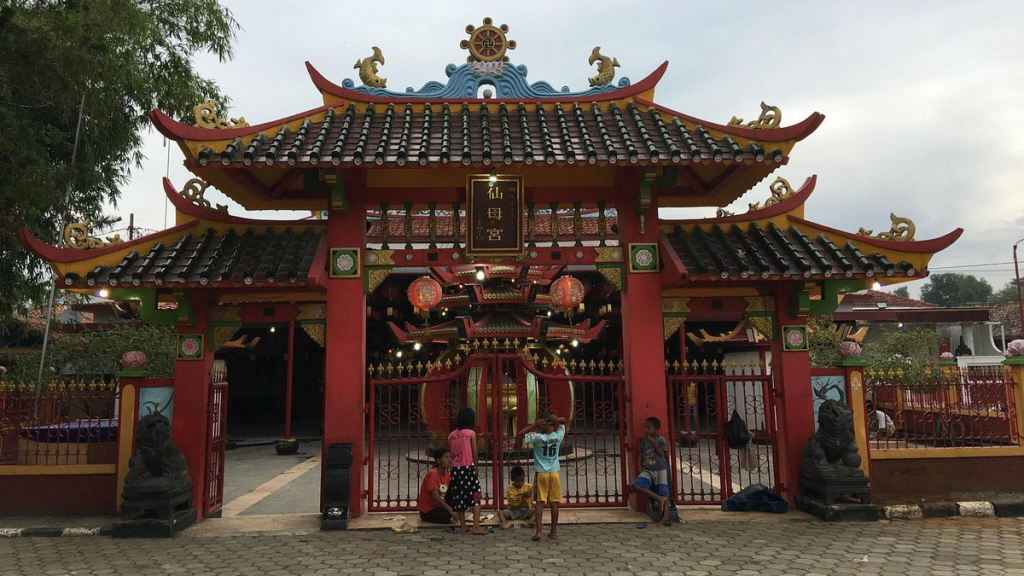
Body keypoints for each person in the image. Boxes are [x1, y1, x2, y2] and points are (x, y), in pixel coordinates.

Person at [517, 411, 567, 541]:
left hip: (541, 474)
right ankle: (553, 532)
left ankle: (538, 532)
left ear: (541, 425)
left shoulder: (537, 438)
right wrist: (557, 419)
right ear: (553, 425)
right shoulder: (558, 436)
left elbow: (520, 434)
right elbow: (564, 421)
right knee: (554, 503)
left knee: (539, 503)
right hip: (554, 473)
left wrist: (534, 425)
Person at [446, 407, 487, 535]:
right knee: (475, 495)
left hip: (455, 470)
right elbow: (474, 452)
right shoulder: (471, 434)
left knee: (459, 497)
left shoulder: (451, 436)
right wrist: (475, 467)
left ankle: (463, 526)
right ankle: (476, 525)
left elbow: (451, 452)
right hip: (467, 468)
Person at [632, 416, 672, 525]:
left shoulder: (661, 440)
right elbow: (641, 453)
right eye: (645, 428)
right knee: (636, 485)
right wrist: (639, 465)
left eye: (649, 428)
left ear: (656, 429)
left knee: (664, 491)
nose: (646, 430)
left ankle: (666, 516)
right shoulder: (644, 440)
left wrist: (654, 443)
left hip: (660, 468)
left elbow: (662, 454)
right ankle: (658, 499)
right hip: (648, 468)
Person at [417, 448, 455, 524]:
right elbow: (436, 496)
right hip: (428, 510)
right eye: (446, 457)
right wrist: (449, 509)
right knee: (446, 516)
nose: (449, 460)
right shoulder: (433, 474)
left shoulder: (447, 476)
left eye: (450, 457)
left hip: (439, 507)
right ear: (438, 460)